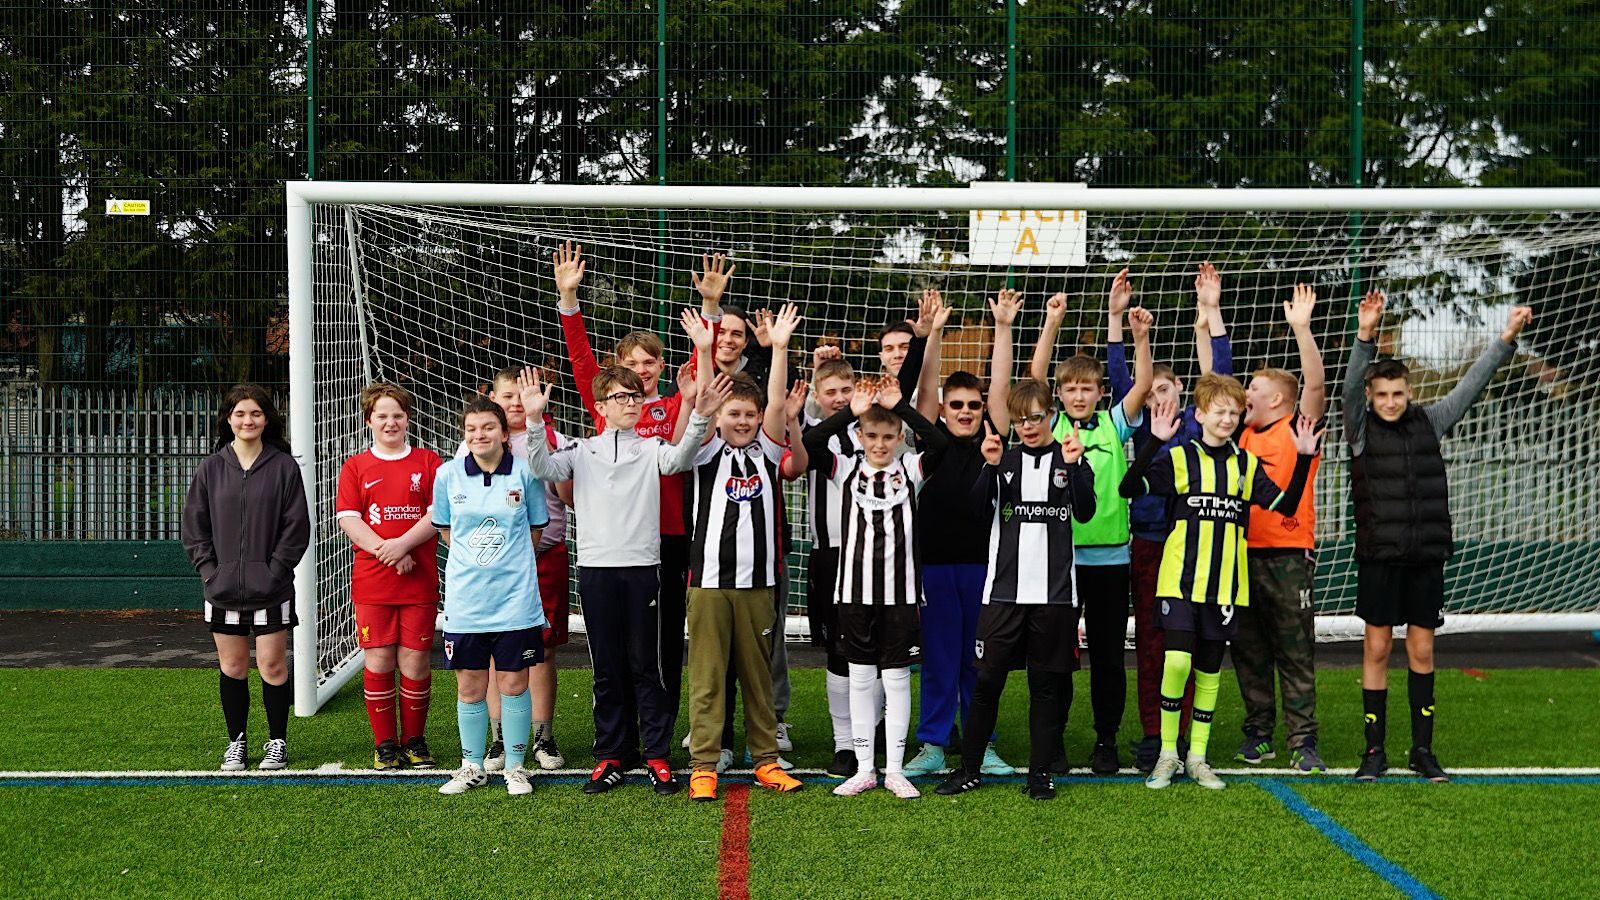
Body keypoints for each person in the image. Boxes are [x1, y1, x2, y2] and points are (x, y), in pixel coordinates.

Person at [519, 345, 727, 795]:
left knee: (647, 665)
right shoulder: (580, 450)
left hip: (644, 571)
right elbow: (540, 466)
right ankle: (611, 754)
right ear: (600, 407)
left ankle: (655, 754)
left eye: (635, 397)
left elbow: (681, 459)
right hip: (596, 572)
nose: (630, 404)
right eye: (620, 397)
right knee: (607, 667)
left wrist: (699, 415)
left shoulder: (653, 447)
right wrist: (536, 420)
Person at [1344, 292, 1532, 783]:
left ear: (1409, 392)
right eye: (1381, 394)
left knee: (1422, 652)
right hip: (1380, 558)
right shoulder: (1358, 428)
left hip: (1425, 557)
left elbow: (1472, 384)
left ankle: (1422, 751)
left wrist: (1505, 340)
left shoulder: (1431, 420)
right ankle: (1373, 751)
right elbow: (1346, 387)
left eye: (1397, 394)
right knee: (1378, 649)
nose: (1390, 402)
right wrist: (1365, 336)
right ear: (1370, 396)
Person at [555, 242, 722, 743]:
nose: (643, 370)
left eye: (651, 362)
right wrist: (569, 299)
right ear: (618, 369)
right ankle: (618, 735)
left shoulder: (675, 406)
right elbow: (582, 362)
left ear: (662, 366)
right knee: (615, 648)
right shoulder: (607, 407)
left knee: (663, 644)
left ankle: (659, 734)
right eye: (633, 362)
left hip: (669, 537)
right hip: (616, 546)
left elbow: (699, 372)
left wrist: (710, 310)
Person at [1120, 376, 1320, 791]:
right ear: (1200, 415)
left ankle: (1197, 757)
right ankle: (1167, 754)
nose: (1228, 418)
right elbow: (1128, 488)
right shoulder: (1179, 458)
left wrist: (1302, 458)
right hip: (1178, 581)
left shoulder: (1245, 465)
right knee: (1176, 663)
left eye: (1234, 411)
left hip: (1227, 585)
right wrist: (1154, 442)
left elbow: (1284, 503)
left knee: (1209, 671)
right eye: (1220, 411)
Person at [935, 379, 1097, 800]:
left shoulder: (1070, 460)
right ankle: (970, 768)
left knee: (1045, 686)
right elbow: (974, 512)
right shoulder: (1002, 462)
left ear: (1052, 415)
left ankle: (1039, 774)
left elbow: (1085, 511)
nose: (1027, 426)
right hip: (1003, 594)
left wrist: (1077, 467)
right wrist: (987, 468)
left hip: (1055, 596)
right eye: (1020, 419)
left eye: (1036, 418)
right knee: (987, 682)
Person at [1024, 273, 1154, 774]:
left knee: (1105, 655)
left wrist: (1137, 335)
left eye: (1087, 388)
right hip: (1059, 560)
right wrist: (1052, 322)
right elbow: (1033, 377)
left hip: (1110, 559)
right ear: (1060, 394)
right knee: (1057, 657)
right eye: (1071, 389)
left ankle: (1105, 741)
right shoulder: (1051, 424)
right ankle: (1052, 743)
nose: (1079, 396)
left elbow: (1142, 385)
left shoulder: (1114, 422)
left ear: (1100, 392)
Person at [1109, 262, 1234, 771]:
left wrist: (1212, 310)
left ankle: (1187, 739)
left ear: (1181, 389)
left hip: (1199, 547)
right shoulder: (1141, 431)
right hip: (1148, 545)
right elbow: (1122, 381)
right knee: (1154, 646)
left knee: (1197, 646)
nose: (1158, 397)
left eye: (1165, 388)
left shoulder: (1198, 426)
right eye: (1150, 392)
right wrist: (1118, 321)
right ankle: (1153, 735)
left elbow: (1221, 375)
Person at [683, 304, 808, 801]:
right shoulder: (708, 449)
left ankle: (766, 761)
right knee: (708, 677)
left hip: (759, 583)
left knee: (759, 678)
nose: (742, 420)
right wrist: (706, 349)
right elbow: (708, 401)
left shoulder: (769, 451)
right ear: (720, 417)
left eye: (749, 414)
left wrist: (777, 348)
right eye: (733, 413)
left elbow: (777, 402)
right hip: (709, 583)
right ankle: (704, 763)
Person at [803, 376, 948, 799]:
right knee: (861, 678)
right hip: (853, 593)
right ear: (861, 436)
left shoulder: (911, 467)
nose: (880, 444)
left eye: (888, 436)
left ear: (899, 436)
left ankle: (895, 770)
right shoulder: (845, 468)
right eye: (872, 435)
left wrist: (900, 407)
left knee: (898, 678)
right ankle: (865, 767)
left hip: (900, 593)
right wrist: (852, 411)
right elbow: (812, 443)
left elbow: (938, 444)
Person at [900, 288, 1016, 779]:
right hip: (934, 570)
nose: (967, 411)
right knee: (940, 660)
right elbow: (921, 392)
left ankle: (981, 742)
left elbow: (1002, 386)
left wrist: (1004, 328)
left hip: (984, 571)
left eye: (973, 404)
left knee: (980, 661)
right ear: (944, 411)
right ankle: (932, 745)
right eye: (958, 405)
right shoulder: (932, 444)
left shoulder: (994, 440)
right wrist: (933, 336)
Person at [182, 383, 311, 772]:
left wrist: (275, 572)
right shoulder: (211, 468)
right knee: (233, 667)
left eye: (255, 413)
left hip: (271, 589)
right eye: (240, 414)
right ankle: (236, 742)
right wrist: (210, 572)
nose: (248, 420)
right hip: (222, 590)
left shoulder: (284, 467)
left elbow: (296, 528)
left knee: (272, 665)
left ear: (267, 418)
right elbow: (194, 528)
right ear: (228, 419)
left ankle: (277, 742)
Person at [432, 397, 551, 797]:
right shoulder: (447, 475)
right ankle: (472, 766)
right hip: (467, 604)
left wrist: (506, 565)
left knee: (514, 683)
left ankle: (516, 767)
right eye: (471, 429)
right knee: (469, 685)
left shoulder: (526, 474)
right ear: (464, 435)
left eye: (487, 427)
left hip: (516, 602)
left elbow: (535, 532)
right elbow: (448, 533)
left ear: (503, 433)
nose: (479, 435)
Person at [1232, 284, 1328, 772]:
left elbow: (1315, 384)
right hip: (1240, 555)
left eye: (1253, 389)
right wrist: (1210, 314)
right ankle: (1258, 733)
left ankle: (1304, 741)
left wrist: (1302, 328)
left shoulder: (1297, 429)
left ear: (1279, 400)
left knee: (1294, 652)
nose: (1245, 394)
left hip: (1288, 556)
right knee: (1248, 651)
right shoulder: (1242, 434)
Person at [464, 369, 576, 774]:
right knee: (493, 648)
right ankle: (497, 737)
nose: (515, 402)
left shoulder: (553, 439)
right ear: (491, 396)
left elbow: (571, 498)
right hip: (492, 566)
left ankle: (543, 735)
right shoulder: (474, 445)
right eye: (507, 395)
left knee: (543, 649)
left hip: (544, 559)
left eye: (523, 395)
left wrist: (541, 433)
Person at [335, 383, 442, 770]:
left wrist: (404, 546)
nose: (390, 422)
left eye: (397, 415)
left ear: (408, 418)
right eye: (382, 415)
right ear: (369, 421)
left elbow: (437, 513)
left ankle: (415, 740)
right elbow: (349, 518)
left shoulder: (429, 462)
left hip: (418, 580)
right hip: (373, 581)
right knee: (379, 661)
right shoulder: (356, 466)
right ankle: (385, 745)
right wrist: (390, 550)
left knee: (415, 663)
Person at [802, 348, 877, 779]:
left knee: (879, 651)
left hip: (876, 554)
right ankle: (844, 744)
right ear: (818, 395)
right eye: (830, 392)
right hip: (830, 556)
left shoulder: (877, 431)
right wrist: (846, 412)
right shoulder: (818, 432)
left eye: (846, 389)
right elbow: (808, 443)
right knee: (839, 653)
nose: (839, 397)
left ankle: (874, 733)